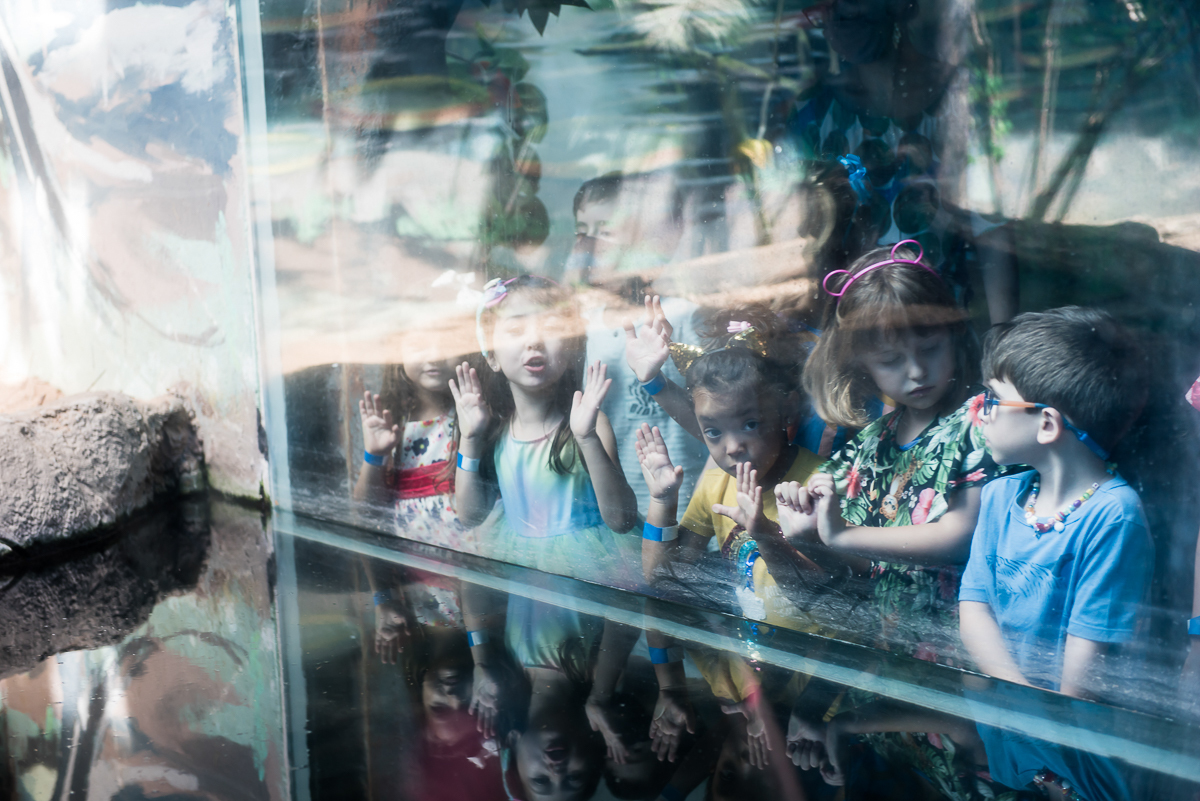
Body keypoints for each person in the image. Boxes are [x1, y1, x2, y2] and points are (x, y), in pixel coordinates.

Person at [785, 239, 1005, 664]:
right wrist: (808, 520)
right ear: (861, 365)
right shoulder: (870, 443)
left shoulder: (984, 423)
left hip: (964, 660)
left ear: (954, 334)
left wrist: (842, 535)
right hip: (889, 657)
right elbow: (860, 561)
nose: (917, 371)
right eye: (890, 360)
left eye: (930, 349)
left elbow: (960, 537)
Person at [959, 307, 1153, 698]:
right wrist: (1017, 697)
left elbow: (1082, 685)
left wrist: (1033, 716)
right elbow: (974, 609)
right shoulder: (999, 495)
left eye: (993, 399)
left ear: (1047, 424)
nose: (979, 412)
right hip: (1008, 717)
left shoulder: (1114, 516)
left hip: (1066, 730)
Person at [635, 305, 851, 631]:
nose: (733, 447)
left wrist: (766, 537)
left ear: (788, 409)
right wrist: (662, 501)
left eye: (750, 424)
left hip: (814, 659)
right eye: (713, 432)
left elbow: (836, 601)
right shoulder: (715, 486)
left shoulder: (822, 484)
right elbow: (662, 579)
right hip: (748, 660)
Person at [449, 275, 640, 586]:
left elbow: (621, 521)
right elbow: (470, 517)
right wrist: (470, 439)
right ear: (492, 355)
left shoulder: (590, 425)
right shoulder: (495, 432)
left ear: (571, 348)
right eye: (515, 330)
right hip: (522, 575)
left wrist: (587, 438)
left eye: (551, 328)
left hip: (589, 573)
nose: (534, 340)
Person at [568, 172, 712, 517]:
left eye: (605, 231)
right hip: (618, 507)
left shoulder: (683, 316)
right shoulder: (586, 324)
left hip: (690, 502)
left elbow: (713, 421)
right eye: (582, 230)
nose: (589, 244)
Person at [354, 328, 473, 550]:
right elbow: (367, 511)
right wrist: (375, 455)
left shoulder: (473, 416)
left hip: (466, 561)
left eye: (448, 344)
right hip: (411, 564)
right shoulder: (394, 422)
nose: (435, 355)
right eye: (419, 345)